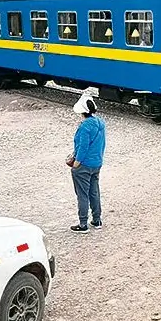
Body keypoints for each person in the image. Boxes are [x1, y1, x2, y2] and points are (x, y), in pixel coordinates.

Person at [69, 94, 106, 233]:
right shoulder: (101, 123)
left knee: (82, 194)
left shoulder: (84, 127)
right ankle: (97, 220)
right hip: (97, 163)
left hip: (84, 165)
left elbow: (83, 147)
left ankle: (83, 224)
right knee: (94, 192)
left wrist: (76, 164)